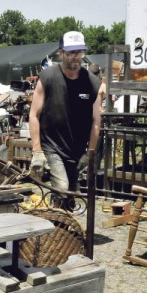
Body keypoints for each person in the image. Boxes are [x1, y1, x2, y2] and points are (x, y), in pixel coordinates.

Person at [28, 31, 102, 193]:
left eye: (80, 52)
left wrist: (90, 153)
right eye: (71, 52)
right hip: (52, 145)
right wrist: (37, 151)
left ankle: (58, 217)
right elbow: (34, 114)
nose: (76, 57)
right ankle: (58, 213)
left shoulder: (92, 82)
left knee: (72, 193)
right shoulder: (48, 77)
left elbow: (96, 119)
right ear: (61, 53)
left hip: (77, 149)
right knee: (62, 187)